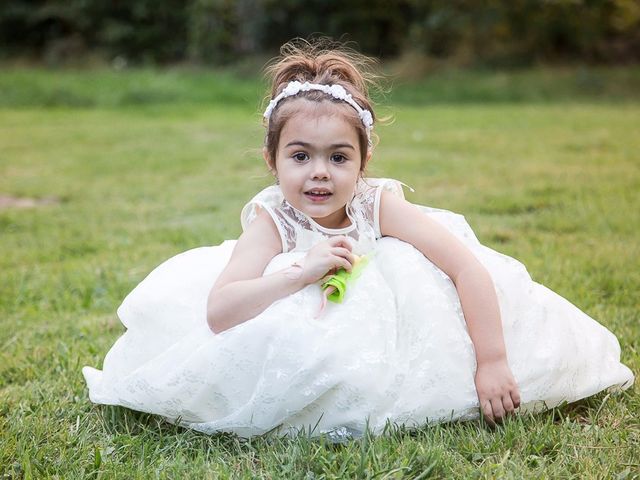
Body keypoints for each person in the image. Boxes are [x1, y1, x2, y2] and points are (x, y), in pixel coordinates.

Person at [83, 38, 633, 441]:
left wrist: (491, 360)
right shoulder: (273, 220)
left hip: (399, 322)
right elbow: (221, 311)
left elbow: (466, 267)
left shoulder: (378, 203)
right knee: (292, 351)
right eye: (300, 156)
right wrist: (299, 271)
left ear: (363, 162)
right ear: (272, 162)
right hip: (305, 310)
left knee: (422, 276)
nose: (319, 173)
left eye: (338, 157)